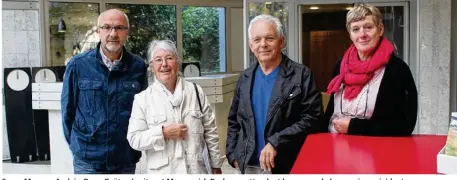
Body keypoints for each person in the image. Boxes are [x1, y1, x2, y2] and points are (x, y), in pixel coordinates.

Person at [226, 14, 323, 174]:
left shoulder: (301, 75)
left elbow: (313, 119)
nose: (263, 44)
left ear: (281, 42)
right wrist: (232, 155)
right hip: (249, 164)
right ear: (251, 45)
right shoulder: (245, 77)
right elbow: (234, 120)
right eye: (257, 40)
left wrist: (276, 142)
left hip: (287, 164)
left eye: (269, 38)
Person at [61, 9, 147, 174]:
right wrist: (77, 146)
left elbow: (143, 113)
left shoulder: (138, 67)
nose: (113, 33)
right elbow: (67, 112)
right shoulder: (78, 65)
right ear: (98, 31)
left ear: (126, 32)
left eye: (119, 28)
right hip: (87, 161)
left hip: (124, 159)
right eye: (107, 27)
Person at [126, 40, 223, 174]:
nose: (164, 64)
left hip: (196, 171)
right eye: (158, 60)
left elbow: (210, 131)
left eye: (169, 58)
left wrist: (216, 166)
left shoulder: (196, 92)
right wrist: (163, 133)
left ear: (177, 62)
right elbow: (134, 139)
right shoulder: (142, 99)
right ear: (152, 67)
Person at [323, 3, 418, 136]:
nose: (362, 34)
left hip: (375, 151)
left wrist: (354, 126)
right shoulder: (340, 66)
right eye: (355, 29)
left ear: (380, 29)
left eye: (368, 27)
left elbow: (405, 125)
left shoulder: (397, 70)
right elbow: (331, 112)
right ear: (350, 34)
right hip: (335, 146)